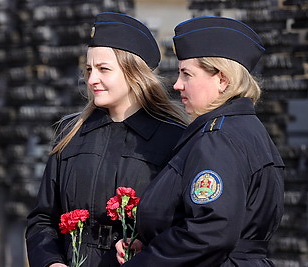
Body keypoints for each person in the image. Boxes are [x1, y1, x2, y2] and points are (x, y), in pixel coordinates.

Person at [116, 16, 285, 266]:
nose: (177, 85)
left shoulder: (219, 139)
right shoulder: (246, 129)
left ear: (222, 80)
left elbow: (209, 231)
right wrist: (156, 243)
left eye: (187, 75)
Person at [25, 12, 188, 267]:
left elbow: (183, 226)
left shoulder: (174, 138)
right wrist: (50, 262)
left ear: (134, 73)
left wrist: (148, 250)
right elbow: (43, 219)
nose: (91, 80)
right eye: (89, 69)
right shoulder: (71, 131)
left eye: (103, 69)